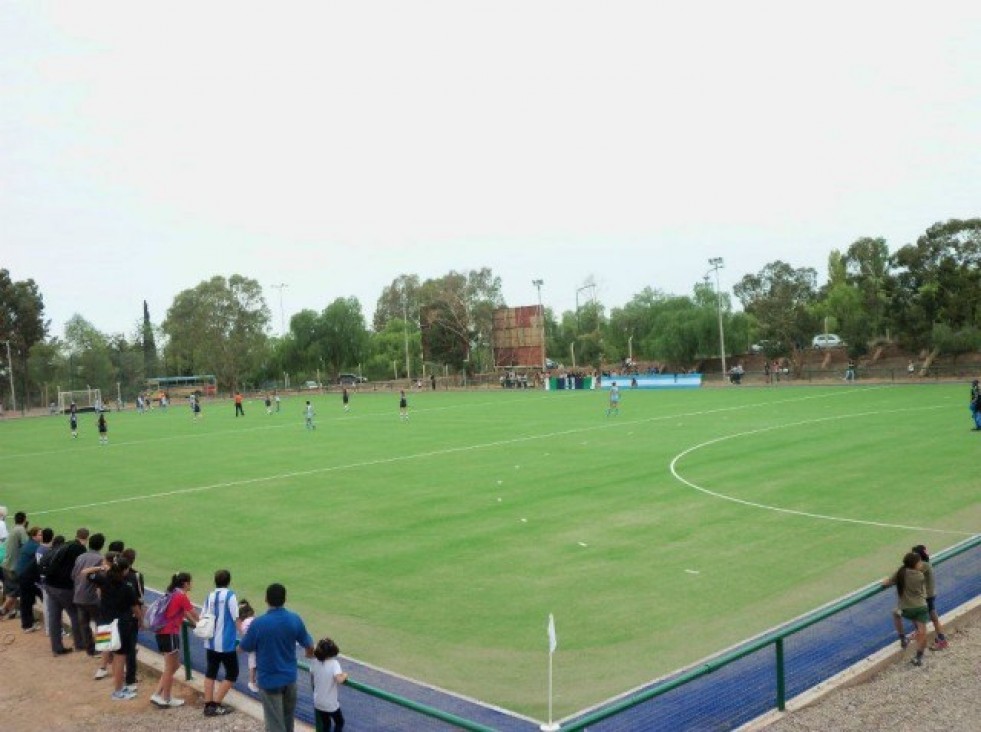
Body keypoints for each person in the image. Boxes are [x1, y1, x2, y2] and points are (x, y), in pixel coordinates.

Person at [239, 583, 314, 732]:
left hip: (269, 681)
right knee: (287, 720)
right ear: (285, 599)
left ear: (266, 599)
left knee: (274, 723)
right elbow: (309, 645)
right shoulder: (294, 619)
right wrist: (309, 654)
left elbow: (244, 647)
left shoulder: (259, 623)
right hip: (290, 678)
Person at [80, 555, 141, 700]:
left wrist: (101, 568)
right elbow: (135, 608)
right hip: (122, 625)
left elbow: (85, 572)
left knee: (113, 657)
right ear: (125, 570)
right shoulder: (127, 586)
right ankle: (118, 690)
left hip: (104, 623)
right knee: (120, 658)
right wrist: (141, 620)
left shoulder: (103, 579)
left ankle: (118, 686)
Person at [150, 572, 199, 708]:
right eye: (190, 582)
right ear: (185, 584)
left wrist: (194, 623)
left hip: (163, 633)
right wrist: (205, 625)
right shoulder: (181, 596)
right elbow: (194, 613)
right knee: (170, 667)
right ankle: (166, 698)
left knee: (174, 665)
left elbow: (183, 612)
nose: (191, 584)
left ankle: (158, 694)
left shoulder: (171, 593)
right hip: (170, 633)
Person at [202, 569, 240, 717]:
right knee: (232, 673)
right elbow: (236, 617)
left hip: (210, 642)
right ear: (229, 581)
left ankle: (208, 705)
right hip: (226, 643)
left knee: (211, 672)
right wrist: (246, 633)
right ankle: (216, 704)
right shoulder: (230, 595)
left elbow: (203, 615)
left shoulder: (209, 596)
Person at [882, 551, 929, 666]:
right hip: (921, 608)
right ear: (915, 564)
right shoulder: (920, 576)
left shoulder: (901, 573)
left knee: (895, 613)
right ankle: (919, 657)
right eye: (919, 562)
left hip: (906, 609)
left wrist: (885, 581)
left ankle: (903, 637)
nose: (921, 564)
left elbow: (886, 583)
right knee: (922, 632)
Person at [72, 532, 107, 660]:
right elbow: (102, 580)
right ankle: (104, 651)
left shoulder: (80, 557)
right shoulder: (100, 559)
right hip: (92, 598)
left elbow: (73, 575)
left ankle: (90, 650)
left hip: (78, 596)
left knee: (84, 624)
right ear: (102, 545)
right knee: (102, 624)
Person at [911, 545, 949, 650]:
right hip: (929, 595)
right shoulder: (926, 564)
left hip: (926, 596)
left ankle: (935, 639)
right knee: (933, 617)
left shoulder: (923, 565)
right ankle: (941, 639)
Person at [311, 637, 348, 731]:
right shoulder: (334, 663)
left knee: (326, 723)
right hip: (330, 704)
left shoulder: (315, 662)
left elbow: (312, 674)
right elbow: (339, 679)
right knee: (340, 722)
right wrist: (345, 675)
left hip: (318, 701)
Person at [2, 511, 29, 618]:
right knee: (16, 591)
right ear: (24, 519)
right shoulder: (20, 529)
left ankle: (12, 612)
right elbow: (26, 545)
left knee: (10, 591)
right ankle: (2, 610)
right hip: (13, 566)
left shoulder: (14, 529)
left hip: (6, 564)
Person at [238, 599, 258, 692]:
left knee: (253, 662)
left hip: (251, 643)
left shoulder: (244, 622)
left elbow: (243, 634)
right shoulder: (251, 620)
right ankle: (252, 682)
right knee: (254, 662)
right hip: (255, 644)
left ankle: (252, 682)